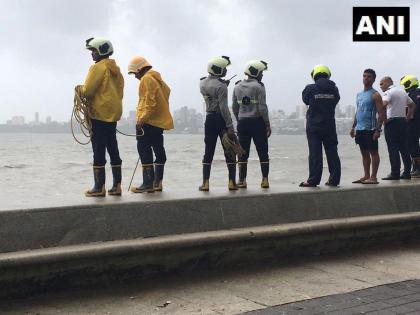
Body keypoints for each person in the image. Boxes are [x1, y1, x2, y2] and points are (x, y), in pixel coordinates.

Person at [78, 37, 124, 197]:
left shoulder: (97, 68)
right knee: (113, 147)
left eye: (94, 51)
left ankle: (99, 187)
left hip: (99, 114)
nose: (92, 54)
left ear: (101, 51)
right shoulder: (116, 69)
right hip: (113, 114)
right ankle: (117, 186)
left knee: (98, 149)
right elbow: (120, 92)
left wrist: (79, 90)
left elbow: (88, 91)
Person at [128, 56, 174, 193]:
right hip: (158, 123)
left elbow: (149, 102)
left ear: (140, 69)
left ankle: (147, 183)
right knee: (159, 150)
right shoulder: (157, 79)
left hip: (147, 122)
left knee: (144, 150)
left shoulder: (146, 79)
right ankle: (157, 183)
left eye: (135, 73)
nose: (135, 76)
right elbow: (167, 92)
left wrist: (141, 120)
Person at [199, 56, 238, 191]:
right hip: (220, 120)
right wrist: (230, 126)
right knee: (229, 150)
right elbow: (223, 108)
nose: (225, 71)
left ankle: (205, 183)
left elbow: (211, 95)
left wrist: (222, 85)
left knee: (208, 151)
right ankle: (232, 182)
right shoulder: (221, 86)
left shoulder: (202, 83)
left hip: (209, 120)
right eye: (224, 68)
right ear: (217, 69)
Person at [300, 64, 341, 187]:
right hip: (329, 125)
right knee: (332, 152)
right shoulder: (334, 89)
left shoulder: (310, 88)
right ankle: (334, 180)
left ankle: (313, 180)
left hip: (314, 126)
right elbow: (336, 100)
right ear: (328, 75)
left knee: (315, 153)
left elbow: (305, 100)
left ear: (314, 75)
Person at [232, 60, 271, 189]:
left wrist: (239, 120)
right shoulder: (259, 87)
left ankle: (242, 181)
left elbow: (234, 107)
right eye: (261, 73)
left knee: (242, 152)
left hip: (242, 123)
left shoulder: (237, 86)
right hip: (257, 123)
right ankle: (264, 180)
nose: (262, 75)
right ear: (256, 72)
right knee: (262, 151)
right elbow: (262, 107)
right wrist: (267, 123)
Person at [350, 69, 385, 184]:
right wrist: (353, 127)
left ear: (373, 79)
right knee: (364, 153)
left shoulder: (375, 95)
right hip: (360, 129)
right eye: (364, 76)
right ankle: (366, 175)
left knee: (373, 153)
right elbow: (358, 111)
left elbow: (381, 113)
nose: (366, 78)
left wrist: (378, 130)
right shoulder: (359, 95)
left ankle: (373, 177)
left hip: (371, 129)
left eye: (369, 76)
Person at [380, 76, 415, 180]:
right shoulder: (402, 92)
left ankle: (395, 173)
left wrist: (384, 120)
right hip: (402, 122)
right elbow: (412, 105)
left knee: (393, 148)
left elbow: (383, 105)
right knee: (404, 148)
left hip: (392, 123)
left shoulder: (388, 92)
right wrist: (407, 118)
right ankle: (407, 173)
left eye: (381, 84)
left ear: (387, 82)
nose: (381, 87)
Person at [400, 75, 420, 177]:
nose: (404, 86)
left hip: (413, 123)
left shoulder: (414, 94)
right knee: (413, 146)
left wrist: (407, 118)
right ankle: (415, 168)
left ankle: (418, 169)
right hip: (414, 123)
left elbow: (413, 109)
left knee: (413, 146)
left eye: (405, 84)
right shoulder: (414, 93)